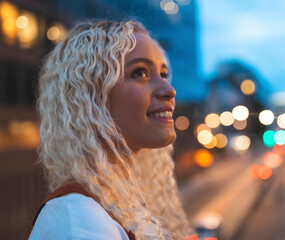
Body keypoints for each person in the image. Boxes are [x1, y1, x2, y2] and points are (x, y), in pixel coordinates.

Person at [29, 19, 196, 240]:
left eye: (163, 75)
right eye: (140, 73)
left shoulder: (115, 207)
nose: (169, 89)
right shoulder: (77, 221)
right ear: (91, 98)